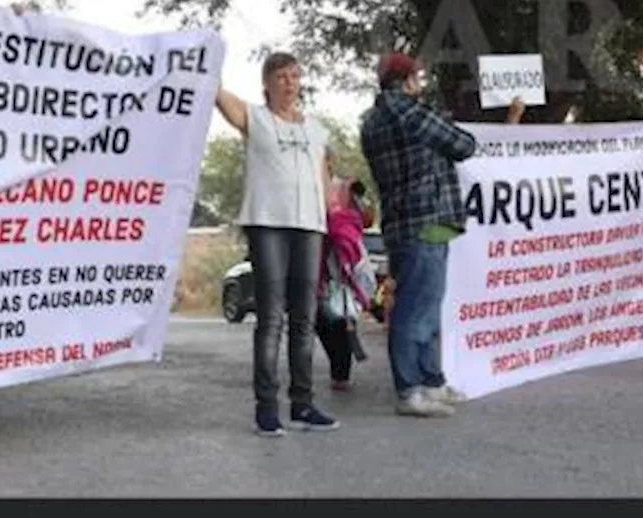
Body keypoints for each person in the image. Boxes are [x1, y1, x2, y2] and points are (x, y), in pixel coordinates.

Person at [361, 53, 524, 417]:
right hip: (427, 219)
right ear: (405, 82)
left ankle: (431, 381)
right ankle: (410, 389)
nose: (420, 84)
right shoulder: (411, 112)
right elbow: (462, 144)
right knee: (416, 310)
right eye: (416, 78)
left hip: (401, 223)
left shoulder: (371, 121)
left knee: (426, 306)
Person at [215, 52, 340, 436]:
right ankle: (266, 409)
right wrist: (205, 58)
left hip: (309, 228)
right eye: (282, 77)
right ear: (266, 84)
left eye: (295, 76)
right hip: (269, 225)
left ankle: (302, 404)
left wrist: (330, 218)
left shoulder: (316, 130)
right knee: (271, 318)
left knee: (305, 317)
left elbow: (323, 179)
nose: (290, 83)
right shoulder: (256, 119)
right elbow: (216, 94)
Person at [316, 177, 383, 392]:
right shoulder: (339, 219)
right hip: (329, 278)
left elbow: (364, 223)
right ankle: (340, 374)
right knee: (334, 323)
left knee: (333, 323)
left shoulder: (344, 218)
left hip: (332, 280)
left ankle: (340, 373)